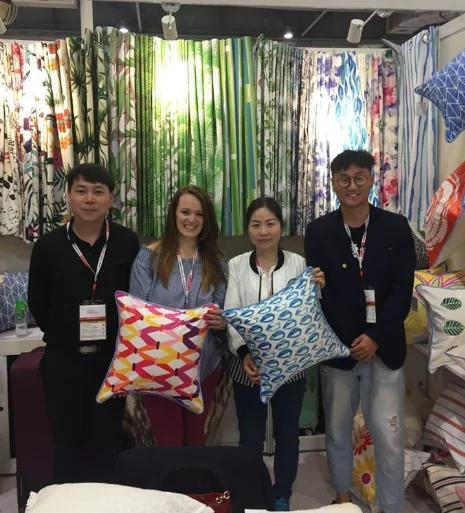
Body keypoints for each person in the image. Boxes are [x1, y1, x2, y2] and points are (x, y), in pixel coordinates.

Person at [304, 150, 415, 513]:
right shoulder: (318, 231)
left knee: (389, 435)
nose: (352, 186)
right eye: (343, 179)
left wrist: (375, 338)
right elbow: (319, 294)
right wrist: (349, 340)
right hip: (338, 349)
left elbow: (402, 291)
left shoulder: (396, 227)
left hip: (385, 347)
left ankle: (391, 506)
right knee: (337, 431)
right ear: (333, 184)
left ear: (371, 180)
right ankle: (342, 498)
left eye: (359, 178)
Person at [28, 163, 140, 484]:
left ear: (111, 199)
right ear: (68, 196)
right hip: (64, 362)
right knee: (67, 445)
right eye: (81, 191)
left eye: (98, 192)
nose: (89, 199)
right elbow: (38, 301)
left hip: (111, 364)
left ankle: (108, 502)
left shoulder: (126, 242)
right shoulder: (48, 246)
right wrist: (65, 337)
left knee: (109, 444)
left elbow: (136, 300)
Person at [224, 197, 325, 512]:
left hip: (290, 365)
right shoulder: (236, 265)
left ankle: (282, 494)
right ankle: (252, 494)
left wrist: (318, 287)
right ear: (247, 229)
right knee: (250, 437)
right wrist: (245, 353)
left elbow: (309, 312)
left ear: (281, 226)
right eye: (256, 225)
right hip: (247, 365)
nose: (263, 231)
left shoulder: (298, 263)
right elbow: (231, 313)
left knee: (286, 434)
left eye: (270, 223)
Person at [129, 185, 227, 446]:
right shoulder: (149, 259)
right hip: (159, 366)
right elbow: (136, 317)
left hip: (203, 365)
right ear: (174, 214)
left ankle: (194, 477)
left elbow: (222, 310)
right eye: (185, 212)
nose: (191, 219)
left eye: (199, 214)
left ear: (206, 220)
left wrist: (221, 320)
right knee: (169, 443)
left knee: (196, 441)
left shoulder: (215, 261)